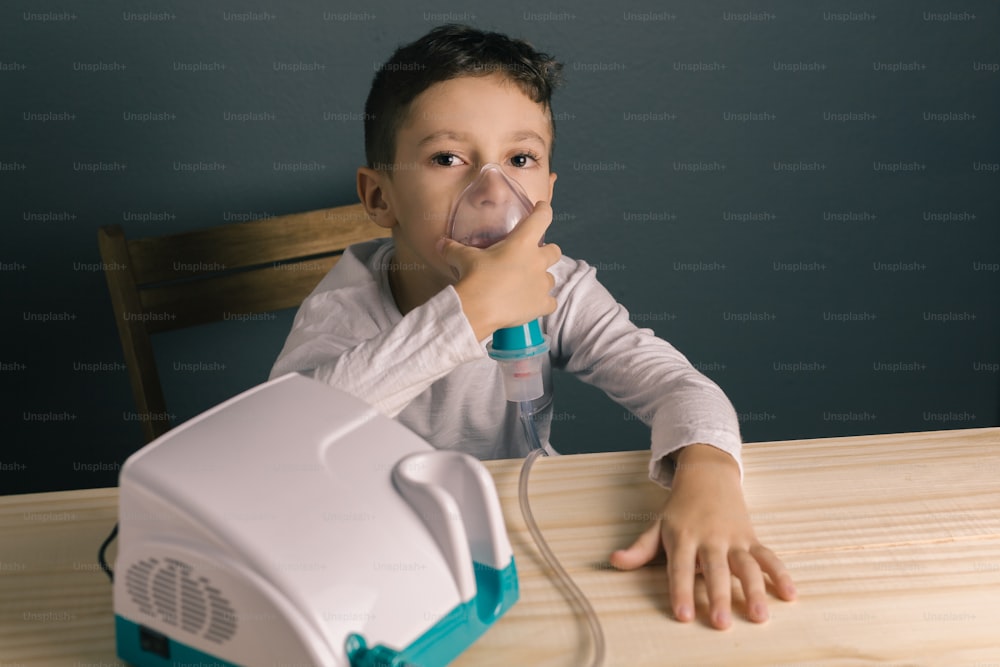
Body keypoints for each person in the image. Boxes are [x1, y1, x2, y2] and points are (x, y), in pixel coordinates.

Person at [270, 24, 796, 629]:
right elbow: (284, 439)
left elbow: (677, 385)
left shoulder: (559, 286)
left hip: (512, 527)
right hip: (370, 550)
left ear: (546, 190)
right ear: (379, 197)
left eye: (519, 159)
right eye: (447, 158)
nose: (492, 192)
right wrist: (470, 312)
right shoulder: (345, 307)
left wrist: (708, 476)